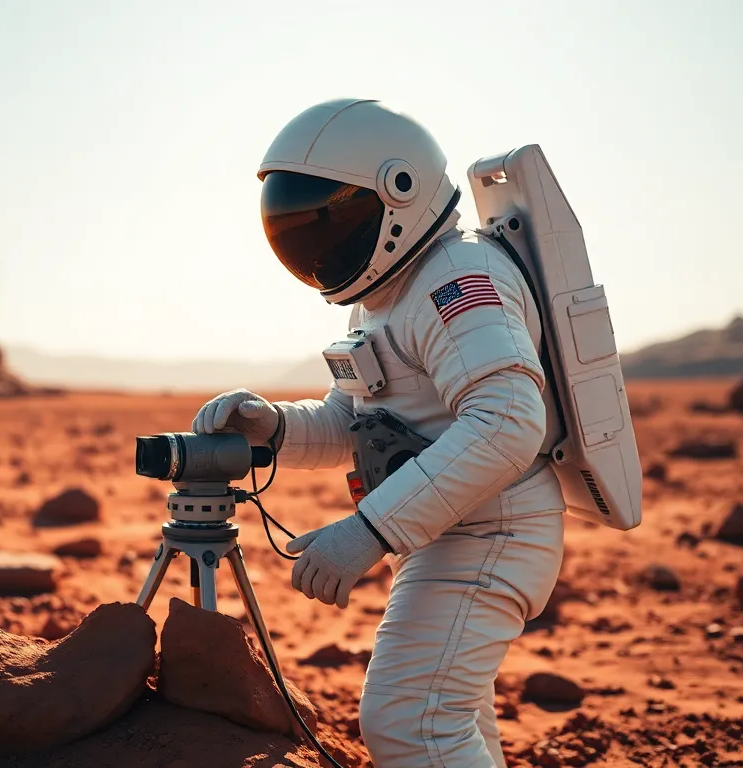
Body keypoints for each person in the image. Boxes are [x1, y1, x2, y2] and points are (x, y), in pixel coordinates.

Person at [191, 99, 567, 767]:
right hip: (451, 533)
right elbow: (355, 421)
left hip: (493, 533)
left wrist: (368, 531)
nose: (317, 242)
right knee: (445, 719)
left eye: (328, 218)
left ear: (399, 191)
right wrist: (274, 427)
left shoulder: (458, 279)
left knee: (410, 720)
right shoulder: (388, 294)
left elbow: (509, 420)